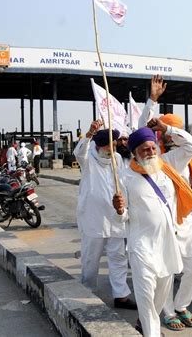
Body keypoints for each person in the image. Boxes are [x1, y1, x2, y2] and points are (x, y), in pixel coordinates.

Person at [113, 120, 192, 337]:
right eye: (145, 149)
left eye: (153, 147)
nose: (150, 152)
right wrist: (119, 210)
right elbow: (123, 217)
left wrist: (167, 129)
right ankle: (151, 333)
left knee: (159, 297)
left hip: (167, 244)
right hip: (141, 247)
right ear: (134, 153)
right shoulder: (125, 178)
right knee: (145, 296)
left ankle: (146, 326)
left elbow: (191, 146)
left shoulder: (167, 163)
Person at [73, 120, 137, 311]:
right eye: (109, 144)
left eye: (114, 144)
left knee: (118, 258)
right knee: (91, 259)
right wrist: (89, 133)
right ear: (99, 146)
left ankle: (121, 296)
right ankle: (87, 290)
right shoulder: (88, 159)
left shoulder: (117, 158)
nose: (112, 147)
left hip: (116, 217)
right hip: (94, 219)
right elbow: (78, 152)